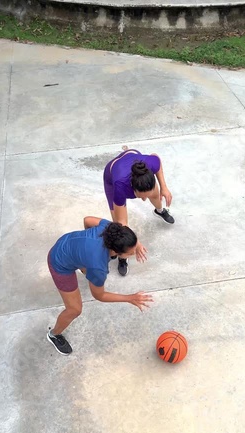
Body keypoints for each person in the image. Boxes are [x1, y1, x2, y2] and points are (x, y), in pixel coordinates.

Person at [47, 217, 153, 355]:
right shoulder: (98, 267)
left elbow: (87, 220)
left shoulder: (110, 230)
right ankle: (53, 334)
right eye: (131, 253)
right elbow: (99, 295)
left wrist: (136, 244)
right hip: (59, 263)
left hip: (66, 242)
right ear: (115, 252)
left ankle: (82, 262)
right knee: (74, 309)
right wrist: (129, 298)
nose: (134, 253)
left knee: (87, 263)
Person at [103, 146, 174, 276]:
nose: (144, 200)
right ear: (133, 190)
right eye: (141, 196)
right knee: (117, 225)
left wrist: (164, 187)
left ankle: (159, 210)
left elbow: (156, 157)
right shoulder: (120, 186)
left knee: (156, 195)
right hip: (112, 176)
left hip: (134, 159)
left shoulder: (150, 164)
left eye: (146, 195)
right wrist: (135, 242)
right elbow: (122, 222)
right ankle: (122, 258)